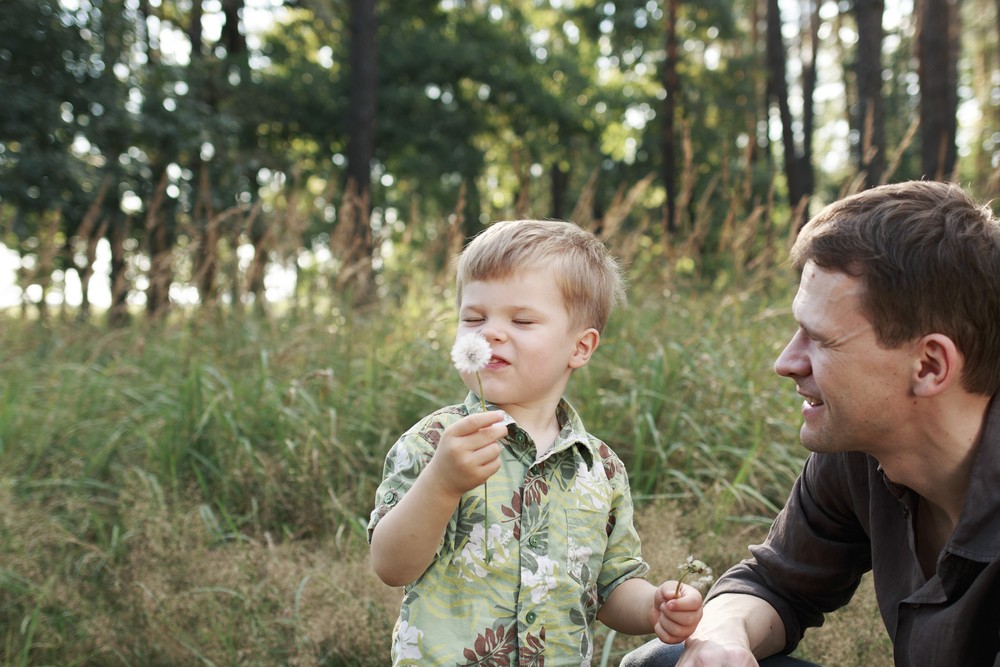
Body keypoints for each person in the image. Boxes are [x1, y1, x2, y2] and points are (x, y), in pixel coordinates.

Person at [622, 180, 1000, 667]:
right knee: (667, 661)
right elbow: (773, 583)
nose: (786, 361)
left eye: (820, 340)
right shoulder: (863, 450)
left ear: (928, 366)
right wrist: (725, 636)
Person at [368, 219, 704, 665]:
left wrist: (652, 607)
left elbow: (611, 586)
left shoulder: (600, 467)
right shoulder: (435, 443)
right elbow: (391, 565)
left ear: (580, 348)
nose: (491, 332)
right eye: (474, 317)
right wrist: (442, 485)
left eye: (522, 320)